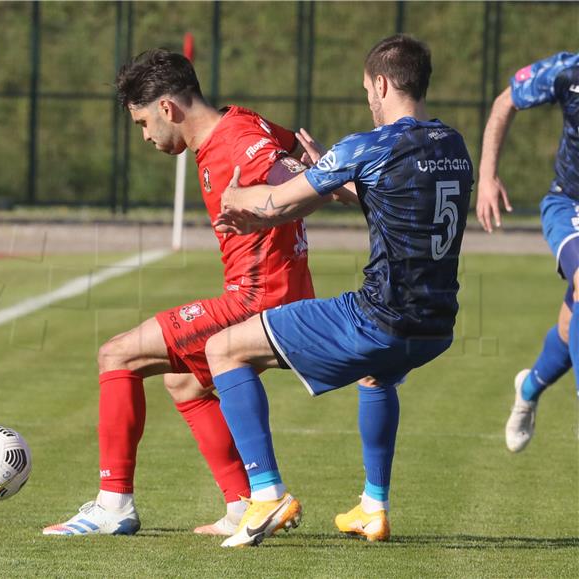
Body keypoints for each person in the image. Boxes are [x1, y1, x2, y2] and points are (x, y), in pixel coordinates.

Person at [204, 34, 473, 547]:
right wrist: (329, 173)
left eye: (368, 89)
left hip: (379, 318)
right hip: (436, 326)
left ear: (382, 83)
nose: (368, 100)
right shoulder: (453, 144)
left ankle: (265, 495)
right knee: (378, 377)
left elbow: (276, 206)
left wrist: (237, 194)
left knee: (224, 348)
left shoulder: (368, 145)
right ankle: (373, 508)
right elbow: (390, 194)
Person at [42, 49, 325, 537]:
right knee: (185, 383)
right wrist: (302, 165)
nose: (147, 136)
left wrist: (299, 183)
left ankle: (113, 505)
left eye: (143, 123)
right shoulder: (243, 122)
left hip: (257, 301)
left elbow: (295, 179)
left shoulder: (234, 141)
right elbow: (288, 151)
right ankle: (242, 504)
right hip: (276, 294)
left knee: (117, 355)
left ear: (168, 108)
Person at [476, 52, 579, 453]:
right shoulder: (568, 73)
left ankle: (530, 386)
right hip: (569, 205)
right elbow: (507, 101)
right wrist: (487, 176)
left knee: (570, 327)